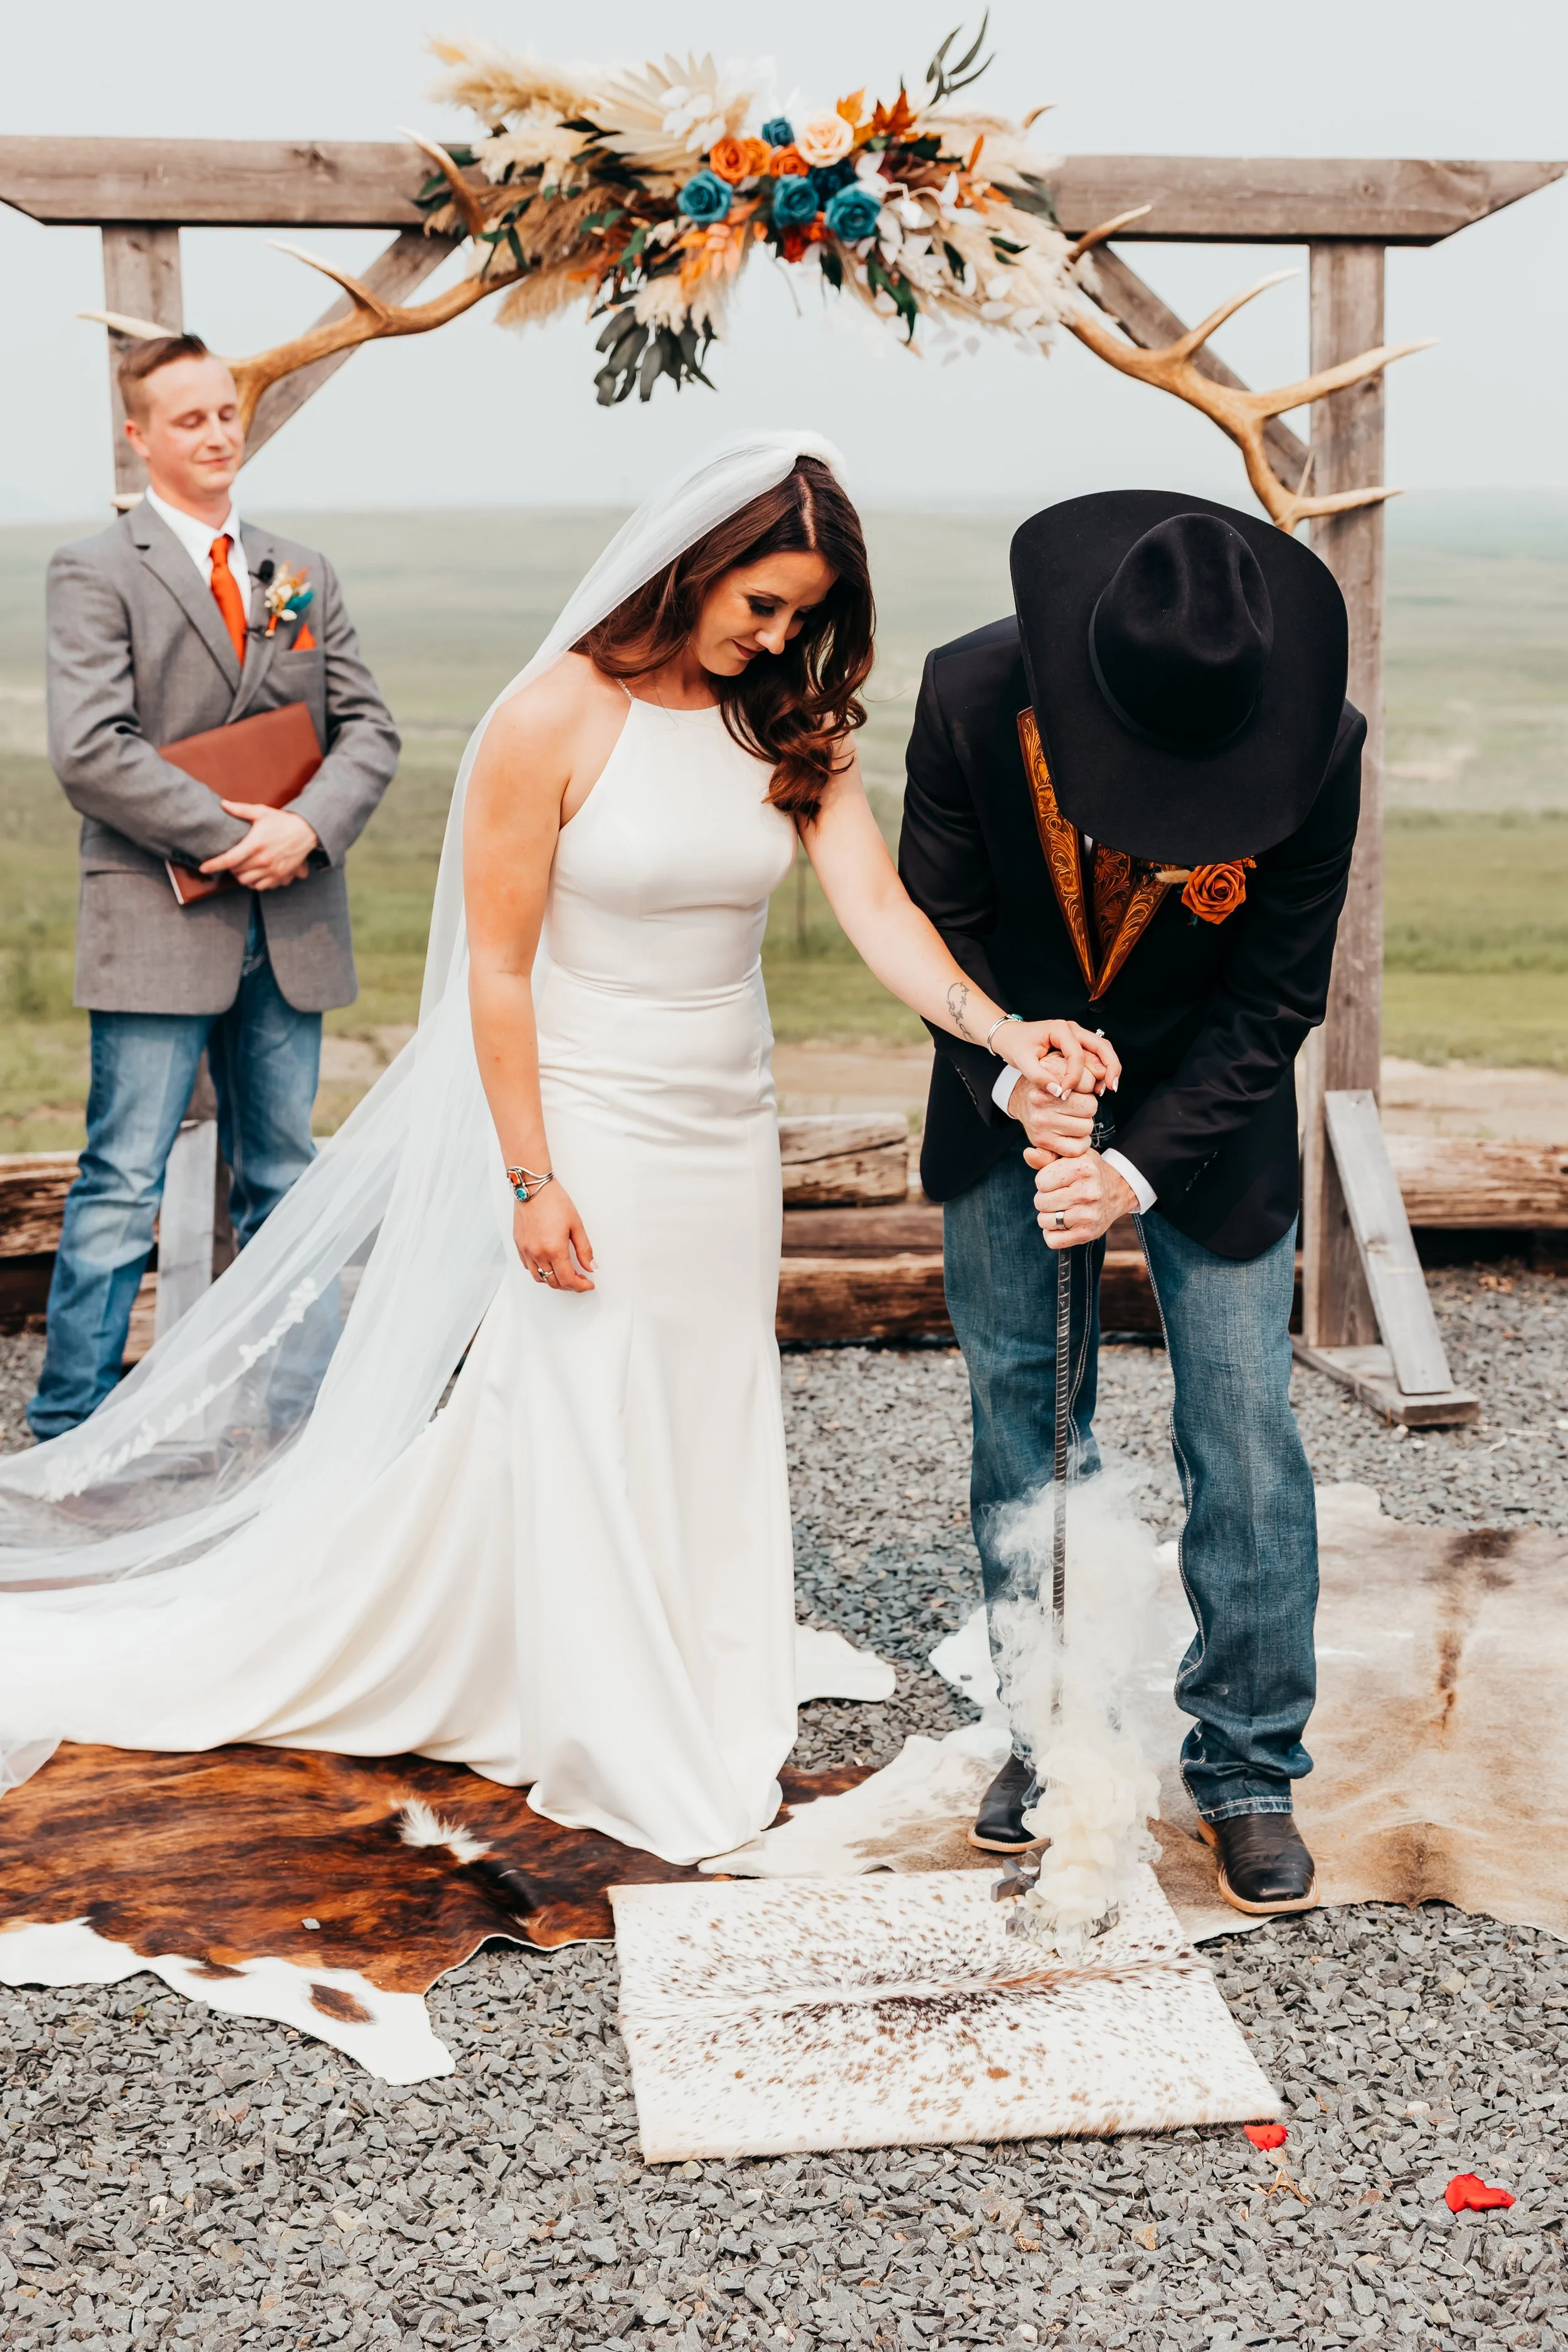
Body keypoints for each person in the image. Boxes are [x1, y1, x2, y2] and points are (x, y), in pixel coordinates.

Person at [0, 433, 1108, 1870]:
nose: (772, 637)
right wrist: (528, 1177)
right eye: (758, 604)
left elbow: (880, 915)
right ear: (694, 566)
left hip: (726, 1117)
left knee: (704, 1394)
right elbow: (499, 974)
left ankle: (693, 1657)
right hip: (587, 1114)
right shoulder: (550, 719)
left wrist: (1005, 1029)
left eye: (797, 616)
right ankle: (609, 1712)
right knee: (584, 1394)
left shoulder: (788, 729)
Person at [899, 489, 1364, 1918]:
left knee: (1241, 1431)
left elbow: (1274, 994)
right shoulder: (968, 694)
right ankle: (1045, 1732)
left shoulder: (1321, 747)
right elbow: (941, 921)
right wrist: (1021, 1085)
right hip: (1005, 1089)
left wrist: (1131, 1163)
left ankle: (1243, 1763)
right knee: (1024, 1415)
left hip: (1208, 1128)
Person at [28, 332, 399, 1440]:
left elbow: (369, 727)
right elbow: (92, 748)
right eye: (189, 419)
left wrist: (307, 830)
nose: (218, 433)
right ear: (138, 437)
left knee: (287, 1179)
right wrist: (235, 840)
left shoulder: (299, 570)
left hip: (290, 921)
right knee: (118, 1185)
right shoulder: (94, 571)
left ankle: (304, 1427)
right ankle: (70, 1431)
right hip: (155, 919)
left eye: (227, 412)